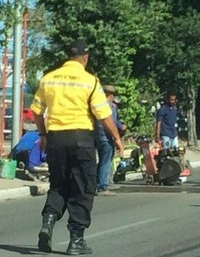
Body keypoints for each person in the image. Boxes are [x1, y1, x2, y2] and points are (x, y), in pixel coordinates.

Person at [31, 39, 124, 255]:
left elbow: (36, 110)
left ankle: (48, 221)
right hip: (81, 138)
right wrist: (117, 137)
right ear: (85, 57)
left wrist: (43, 134)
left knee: (59, 184)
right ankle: (76, 240)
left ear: (67, 56)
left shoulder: (48, 79)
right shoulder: (90, 81)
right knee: (83, 187)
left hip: (55, 139)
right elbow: (104, 114)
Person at [95, 84, 126, 196]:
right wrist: (121, 128)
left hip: (98, 136)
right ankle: (102, 185)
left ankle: (101, 182)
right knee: (106, 161)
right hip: (107, 136)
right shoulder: (109, 106)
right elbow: (112, 121)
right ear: (111, 96)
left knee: (103, 160)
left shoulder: (97, 105)